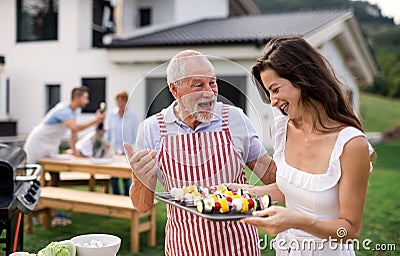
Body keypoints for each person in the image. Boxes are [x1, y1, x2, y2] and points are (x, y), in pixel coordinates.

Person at [123, 50, 277, 255]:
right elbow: (142, 206)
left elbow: (271, 177)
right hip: (184, 246)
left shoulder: (235, 119)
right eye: (198, 85)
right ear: (175, 90)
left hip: (239, 245)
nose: (210, 92)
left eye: (212, 83)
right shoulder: (151, 129)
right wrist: (138, 177)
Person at [238, 36, 375, 255]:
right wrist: (249, 192)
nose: (272, 101)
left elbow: (349, 232)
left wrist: (297, 222)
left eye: (275, 89)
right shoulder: (282, 130)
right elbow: (294, 189)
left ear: (303, 79)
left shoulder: (350, 144)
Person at [24, 86, 106, 185]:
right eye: (85, 98)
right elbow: (74, 127)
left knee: (55, 175)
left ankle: (51, 198)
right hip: (38, 143)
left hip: (51, 146)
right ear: (76, 97)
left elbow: (74, 133)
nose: (87, 101)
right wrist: (96, 121)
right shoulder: (63, 110)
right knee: (29, 175)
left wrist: (75, 152)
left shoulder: (72, 112)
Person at [106, 90, 139, 196]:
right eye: (118, 100)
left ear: (126, 101)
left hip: (127, 153)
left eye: (122, 100)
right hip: (114, 152)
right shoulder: (111, 115)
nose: (120, 103)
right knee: (114, 179)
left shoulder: (133, 117)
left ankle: (126, 199)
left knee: (126, 180)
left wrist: (133, 150)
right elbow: (108, 132)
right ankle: (116, 200)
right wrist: (107, 143)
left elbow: (136, 135)